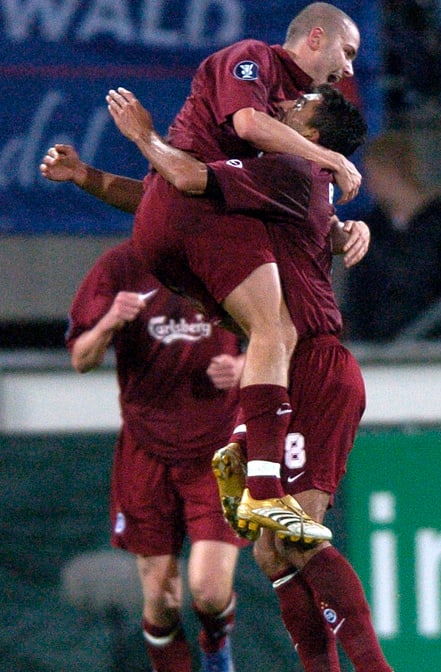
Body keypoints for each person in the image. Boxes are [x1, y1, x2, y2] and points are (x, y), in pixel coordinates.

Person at [104, 85, 415, 672]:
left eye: (297, 109)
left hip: (315, 370)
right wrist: (93, 180)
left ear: (313, 134)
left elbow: (184, 177)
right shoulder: (290, 181)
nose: (281, 110)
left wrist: (142, 136)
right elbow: (167, 199)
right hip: (287, 373)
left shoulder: (286, 168)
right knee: (272, 553)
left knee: (294, 537)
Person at [41, 2, 362, 543]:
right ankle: (262, 484)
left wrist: (94, 171)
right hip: (301, 344)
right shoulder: (257, 73)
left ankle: (241, 447)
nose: (348, 68)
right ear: (314, 37)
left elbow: (170, 191)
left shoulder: (285, 167)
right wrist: (334, 171)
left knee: (264, 337)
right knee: (274, 333)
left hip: (168, 233)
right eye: (346, 52)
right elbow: (218, 153)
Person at [64, 239, 246, 672]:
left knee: (208, 591)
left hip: (216, 452)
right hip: (145, 453)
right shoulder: (120, 267)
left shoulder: (227, 255)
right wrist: (108, 323)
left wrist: (246, 364)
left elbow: (284, 330)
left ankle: (216, 643)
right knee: (162, 601)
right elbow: (81, 358)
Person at [341, 130, 441, 341]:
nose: (368, 185)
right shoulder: (370, 228)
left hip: (434, 344)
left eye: (372, 175)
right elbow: (358, 295)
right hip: (377, 345)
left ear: (393, 172)